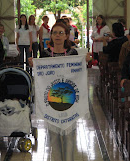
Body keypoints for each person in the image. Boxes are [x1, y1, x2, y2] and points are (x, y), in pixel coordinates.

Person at [28, 22, 90, 161]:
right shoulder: (44, 54)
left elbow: (78, 73)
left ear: (67, 35)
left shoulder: (73, 53)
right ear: (50, 35)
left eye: (61, 33)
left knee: (69, 137)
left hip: (70, 101)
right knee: (54, 138)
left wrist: (84, 61)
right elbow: (41, 75)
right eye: (55, 32)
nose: (57, 35)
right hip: (51, 102)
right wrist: (34, 64)